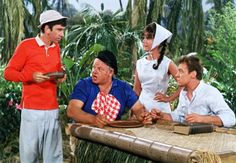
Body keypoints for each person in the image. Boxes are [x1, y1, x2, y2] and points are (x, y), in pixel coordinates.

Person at [4, 10, 67, 162]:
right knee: (29, 156)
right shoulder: (26, 46)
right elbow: (8, 73)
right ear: (47, 29)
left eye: (62, 30)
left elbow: (58, 70)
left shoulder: (56, 48)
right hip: (32, 111)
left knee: (53, 157)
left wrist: (61, 76)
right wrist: (29, 77)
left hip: (52, 109)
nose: (62, 35)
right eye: (59, 30)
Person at [67, 50, 151, 128]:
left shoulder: (123, 88)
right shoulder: (84, 85)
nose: (94, 71)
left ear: (111, 72)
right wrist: (93, 119)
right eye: (93, 67)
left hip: (113, 134)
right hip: (85, 134)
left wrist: (142, 116)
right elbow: (72, 110)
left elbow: (138, 108)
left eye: (99, 69)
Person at [151, 54, 236, 127]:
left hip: (210, 141)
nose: (176, 75)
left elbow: (230, 118)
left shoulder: (210, 92)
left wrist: (203, 119)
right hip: (190, 140)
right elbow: (179, 117)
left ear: (193, 74)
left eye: (181, 71)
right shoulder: (183, 93)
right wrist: (163, 115)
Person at [134, 22, 181, 113]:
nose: (144, 41)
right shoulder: (140, 63)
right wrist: (134, 111)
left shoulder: (167, 63)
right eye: (144, 37)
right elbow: (136, 90)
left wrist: (169, 98)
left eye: (148, 38)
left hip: (161, 110)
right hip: (142, 109)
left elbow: (183, 84)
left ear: (158, 41)